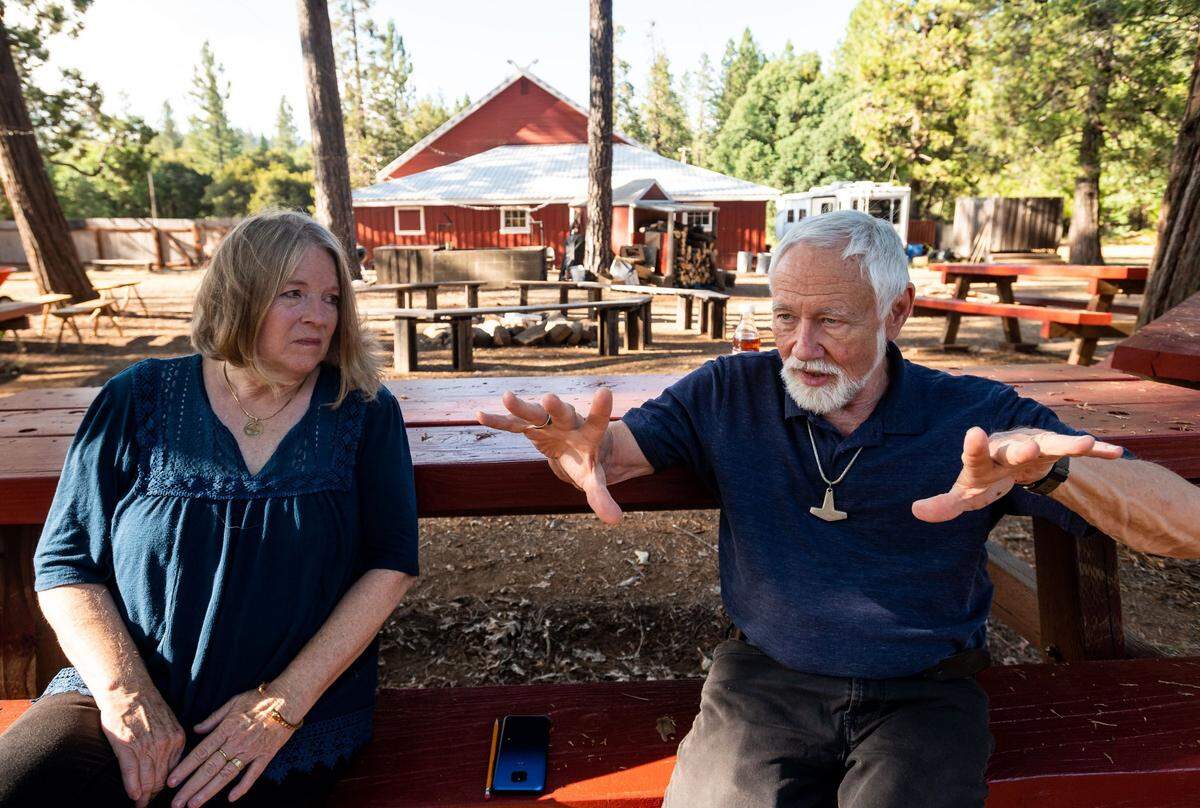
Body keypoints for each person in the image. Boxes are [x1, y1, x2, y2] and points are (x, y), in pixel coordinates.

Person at [477, 210, 1200, 808]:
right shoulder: (730, 392)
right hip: (764, 683)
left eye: (832, 320)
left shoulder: (975, 413)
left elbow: (1184, 524)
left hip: (925, 692)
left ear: (898, 312)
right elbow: (615, 454)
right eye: (785, 316)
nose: (802, 346)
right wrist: (579, 455)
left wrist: (1052, 470)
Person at [0, 210, 419, 808]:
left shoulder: (362, 411)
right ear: (239, 294)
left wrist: (282, 703)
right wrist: (126, 695)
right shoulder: (137, 397)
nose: (319, 316)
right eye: (293, 293)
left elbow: (392, 563)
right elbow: (66, 564)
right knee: (20, 785)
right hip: (124, 691)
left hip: (288, 714)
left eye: (331, 298)